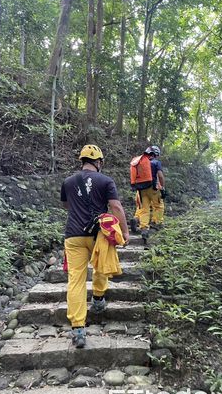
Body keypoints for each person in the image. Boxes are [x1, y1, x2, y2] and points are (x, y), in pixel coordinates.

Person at [61, 144, 129, 348]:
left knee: (76, 280)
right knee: (101, 265)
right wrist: (125, 232)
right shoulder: (106, 181)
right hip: (98, 233)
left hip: (73, 236)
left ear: (82, 161)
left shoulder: (68, 181)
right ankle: (98, 299)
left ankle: (78, 328)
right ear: (98, 162)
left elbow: (66, 205)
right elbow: (115, 206)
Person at [130, 145, 165, 241]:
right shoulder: (156, 162)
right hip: (153, 188)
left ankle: (144, 228)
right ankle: (155, 224)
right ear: (155, 154)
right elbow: (160, 176)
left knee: (144, 209)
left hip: (141, 189)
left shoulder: (140, 162)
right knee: (158, 206)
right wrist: (162, 187)